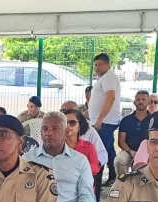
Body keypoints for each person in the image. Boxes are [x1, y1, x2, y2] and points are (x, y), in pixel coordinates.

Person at [88, 53, 122, 187]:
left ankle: (97, 179)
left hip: (105, 122)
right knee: (108, 150)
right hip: (101, 121)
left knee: (99, 150)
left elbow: (110, 98)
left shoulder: (110, 76)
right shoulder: (103, 78)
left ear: (108, 65)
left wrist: (99, 119)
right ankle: (113, 176)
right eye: (95, 65)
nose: (97, 67)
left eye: (100, 64)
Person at [61, 101, 108, 168]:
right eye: (63, 110)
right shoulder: (54, 129)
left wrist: (91, 166)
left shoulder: (90, 131)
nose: (68, 113)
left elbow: (102, 154)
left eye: (72, 122)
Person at [115, 91, 151, 176]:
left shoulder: (154, 120)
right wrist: (130, 151)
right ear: (134, 102)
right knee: (119, 161)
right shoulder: (126, 120)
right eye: (138, 99)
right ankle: (123, 186)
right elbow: (121, 141)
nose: (140, 102)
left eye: (143, 99)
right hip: (129, 151)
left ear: (148, 102)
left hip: (148, 152)